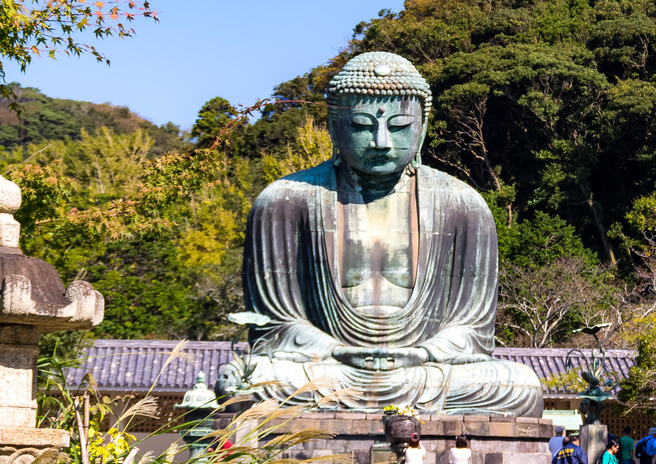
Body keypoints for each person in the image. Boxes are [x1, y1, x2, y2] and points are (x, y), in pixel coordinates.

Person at [216, 51, 544, 416]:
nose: (381, 141)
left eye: (400, 125)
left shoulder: (463, 206)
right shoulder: (283, 201)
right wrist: (336, 350)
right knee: (249, 379)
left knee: (519, 385)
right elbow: (274, 328)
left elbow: (473, 332)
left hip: (424, 370)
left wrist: (422, 353)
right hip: (328, 368)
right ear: (333, 125)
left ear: (422, 127)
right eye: (361, 124)